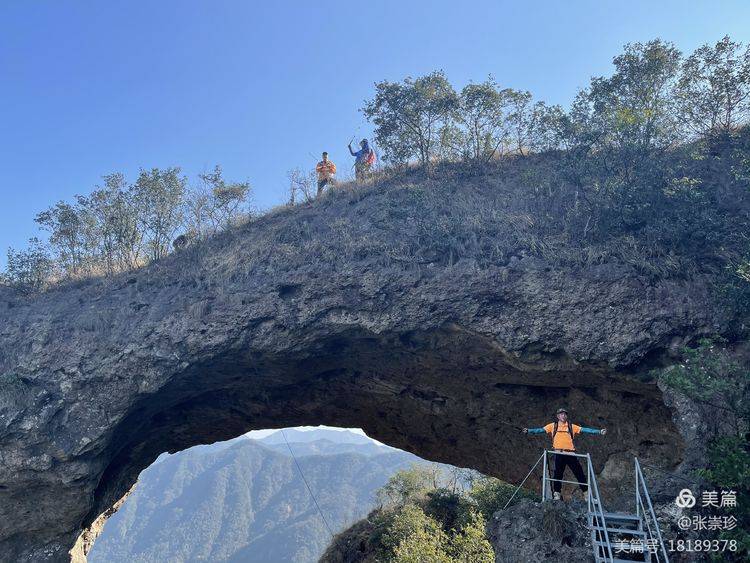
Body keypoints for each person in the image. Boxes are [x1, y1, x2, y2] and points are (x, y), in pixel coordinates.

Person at [522, 408, 607, 500]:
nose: (563, 416)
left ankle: (586, 495)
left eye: (565, 414)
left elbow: (585, 430)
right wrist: (528, 431)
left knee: (579, 473)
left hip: (570, 453)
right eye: (561, 414)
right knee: (558, 474)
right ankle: (557, 494)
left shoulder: (571, 426)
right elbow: (540, 430)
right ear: (558, 416)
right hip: (558, 453)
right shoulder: (553, 426)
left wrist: (599, 431)